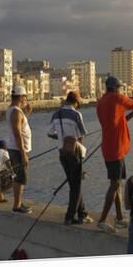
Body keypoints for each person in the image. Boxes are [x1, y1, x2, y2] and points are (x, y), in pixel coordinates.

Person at [96, 76, 133, 233]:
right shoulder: (117, 98)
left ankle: (119, 219)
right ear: (115, 88)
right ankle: (102, 220)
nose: (121, 90)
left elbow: (116, 122)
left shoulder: (101, 102)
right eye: (120, 87)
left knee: (117, 183)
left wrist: (132, 116)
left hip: (109, 148)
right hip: (115, 149)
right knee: (115, 184)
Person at [48, 91, 93, 225]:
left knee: (73, 184)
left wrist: (60, 137)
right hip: (74, 154)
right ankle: (69, 216)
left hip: (62, 153)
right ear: (76, 101)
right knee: (76, 185)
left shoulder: (56, 114)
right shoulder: (76, 114)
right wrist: (82, 155)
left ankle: (82, 213)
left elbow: (49, 133)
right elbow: (81, 136)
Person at [6, 85, 33, 213]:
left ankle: (19, 203)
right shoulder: (16, 112)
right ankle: (17, 205)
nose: (26, 99)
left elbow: (20, 124)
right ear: (21, 97)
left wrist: (26, 113)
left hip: (16, 148)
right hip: (17, 150)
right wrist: (23, 154)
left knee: (19, 177)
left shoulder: (14, 110)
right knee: (20, 178)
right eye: (25, 97)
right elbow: (17, 133)